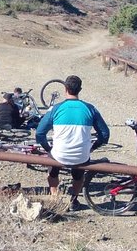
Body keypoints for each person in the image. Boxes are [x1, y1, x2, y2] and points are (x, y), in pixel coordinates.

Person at [36, 75, 110, 211]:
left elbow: (40, 134)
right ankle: (74, 200)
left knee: (52, 171)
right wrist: (92, 148)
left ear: (65, 89)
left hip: (59, 155)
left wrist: (48, 149)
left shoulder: (56, 108)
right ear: (80, 89)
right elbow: (105, 135)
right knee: (78, 174)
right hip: (81, 156)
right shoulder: (90, 108)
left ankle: (54, 196)